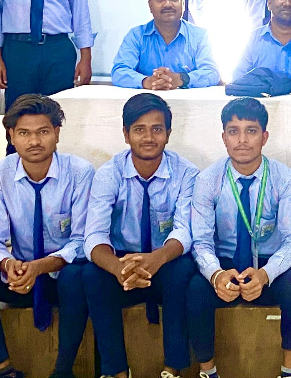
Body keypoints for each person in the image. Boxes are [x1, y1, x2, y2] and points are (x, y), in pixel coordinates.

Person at [0, 95, 94, 378]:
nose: (34, 141)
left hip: (60, 273)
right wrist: (7, 264)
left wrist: (41, 267)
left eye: (43, 132)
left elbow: (83, 241)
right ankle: (2, 370)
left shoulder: (80, 173)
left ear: (57, 133)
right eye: (24, 133)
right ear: (11, 136)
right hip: (20, 275)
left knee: (79, 277)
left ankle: (63, 371)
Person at [187, 98, 291, 378]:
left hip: (267, 262)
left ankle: (289, 372)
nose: (242, 140)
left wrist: (265, 275)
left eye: (251, 131)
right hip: (225, 264)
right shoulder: (208, 180)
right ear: (224, 138)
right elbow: (201, 241)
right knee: (194, 289)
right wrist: (216, 275)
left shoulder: (284, 178)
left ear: (264, 137)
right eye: (234, 131)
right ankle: (208, 372)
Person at [82, 93, 199, 378]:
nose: (148, 137)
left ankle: (172, 369)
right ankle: (116, 372)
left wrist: (157, 259)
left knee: (184, 269)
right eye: (139, 129)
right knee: (91, 275)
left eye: (157, 129)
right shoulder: (108, 174)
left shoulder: (187, 173)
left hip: (165, 259)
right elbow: (94, 235)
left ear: (168, 133)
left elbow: (185, 230)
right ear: (125, 134)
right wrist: (119, 268)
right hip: (123, 262)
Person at [111, 0, 221, 90]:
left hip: (186, 101)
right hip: (148, 100)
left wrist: (181, 79)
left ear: (183, 3)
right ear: (150, 5)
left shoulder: (199, 36)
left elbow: (212, 72)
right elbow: (119, 72)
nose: (168, 4)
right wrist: (147, 82)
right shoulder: (136, 35)